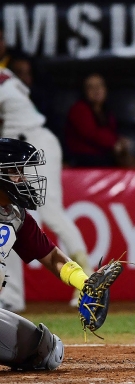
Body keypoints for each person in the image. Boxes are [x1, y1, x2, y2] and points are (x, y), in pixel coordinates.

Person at [0, 67, 93, 311]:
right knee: (5, 218)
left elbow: (50, 256)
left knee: (46, 214)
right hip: (15, 149)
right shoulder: (5, 72)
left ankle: (86, 274)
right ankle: (10, 297)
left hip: (30, 145)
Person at [0, 138, 93, 371]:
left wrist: (85, 283)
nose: (22, 179)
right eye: (14, 172)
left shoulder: (15, 216)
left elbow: (52, 257)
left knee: (46, 351)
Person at [65, 73, 135, 167]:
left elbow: (111, 133)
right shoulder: (79, 109)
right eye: (91, 87)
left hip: (104, 156)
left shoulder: (106, 111)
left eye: (100, 85)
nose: (96, 90)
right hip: (85, 160)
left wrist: (120, 141)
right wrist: (114, 143)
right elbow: (91, 133)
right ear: (84, 91)